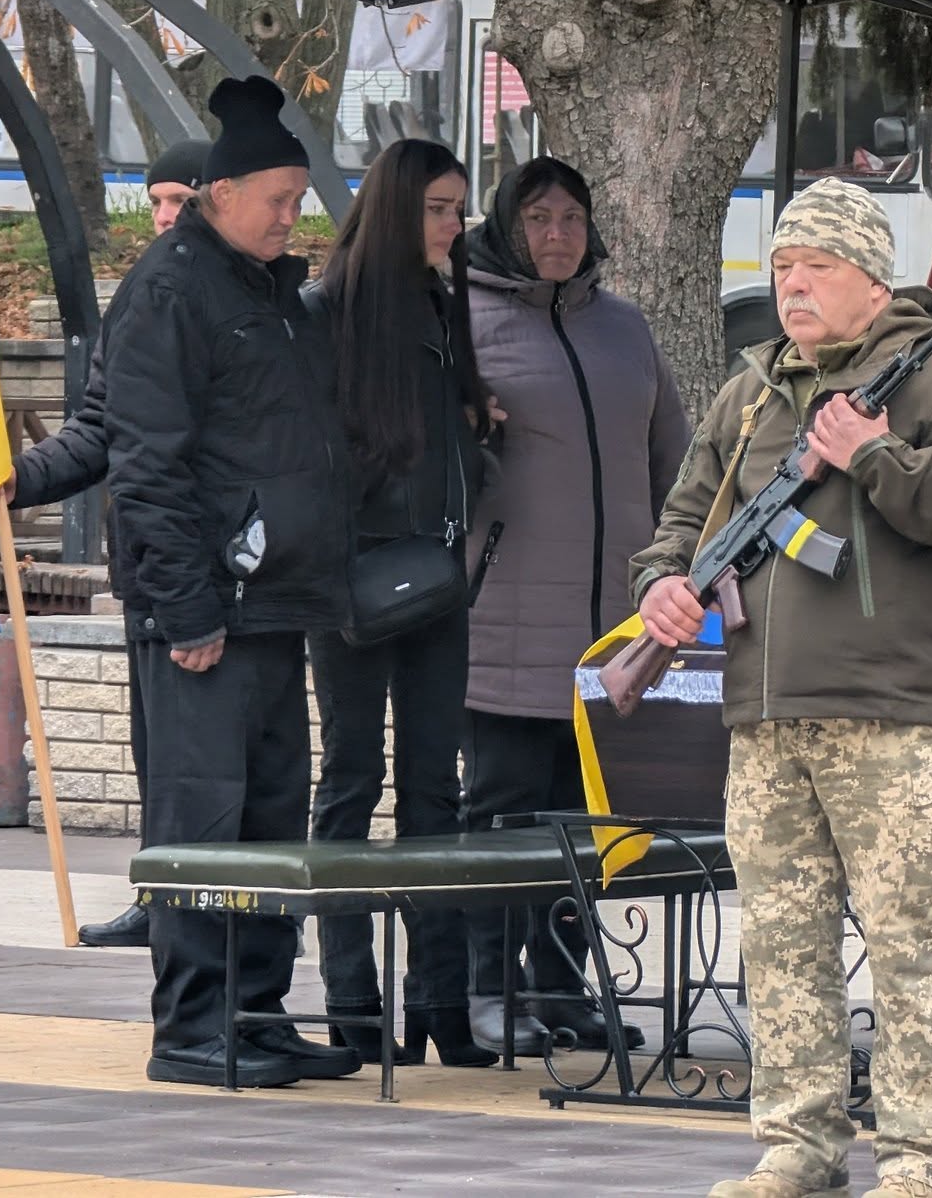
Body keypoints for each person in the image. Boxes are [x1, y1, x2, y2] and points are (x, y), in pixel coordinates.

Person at [632, 178, 932, 1198]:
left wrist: (875, 456)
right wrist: (662, 587)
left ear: (872, 281)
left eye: (816, 267)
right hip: (765, 721)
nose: (793, 285)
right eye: (781, 267)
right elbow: (680, 520)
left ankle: (919, 1157)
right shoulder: (751, 393)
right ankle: (798, 1145)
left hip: (884, 714)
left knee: (905, 941)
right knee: (779, 943)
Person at [102, 76, 355, 1088]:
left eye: (298, 201)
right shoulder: (168, 292)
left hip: (275, 601)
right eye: (279, 201)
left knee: (268, 820)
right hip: (208, 611)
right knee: (203, 823)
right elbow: (147, 464)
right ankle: (192, 1027)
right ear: (221, 194)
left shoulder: (268, 289)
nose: (293, 217)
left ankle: (256, 1011)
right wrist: (187, 608)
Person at [461, 156, 689, 1054]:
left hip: (611, 640)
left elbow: (675, 467)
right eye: (538, 218)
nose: (557, 234)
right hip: (503, 631)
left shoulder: (625, 330)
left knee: (584, 820)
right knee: (502, 817)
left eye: (572, 218)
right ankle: (488, 989)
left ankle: (560, 985)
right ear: (505, 225)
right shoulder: (466, 319)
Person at [303, 139, 498, 1068]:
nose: (455, 226)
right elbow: (315, 454)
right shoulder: (330, 308)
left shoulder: (441, 300)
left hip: (437, 572)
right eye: (438, 209)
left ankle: (439, 1001)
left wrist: (474, 437)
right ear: (394, 210)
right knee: (351, 777)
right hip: (357, 575)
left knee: (434, 788)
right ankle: (351, 1000)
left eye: (459, 209)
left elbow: (445, 431)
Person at [0, 138, 207, 950]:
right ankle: (161, 896)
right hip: (148, 571)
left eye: (181, 200)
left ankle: (238, 911)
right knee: (159, 755)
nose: (164, 217)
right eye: (155, 203)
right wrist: (20, 478)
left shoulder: (254, 303)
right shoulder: (140, 299)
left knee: (212, 764)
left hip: (223, 576)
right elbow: (99, 428)